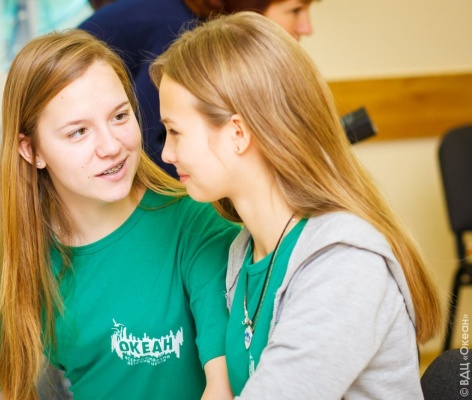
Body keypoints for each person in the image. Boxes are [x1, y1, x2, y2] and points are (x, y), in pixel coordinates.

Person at [151, 12, 444, 399]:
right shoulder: (245, 250)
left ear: (237, 133)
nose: (167, 154)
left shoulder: (344, 264)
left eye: (174, 131)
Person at [0, 29, 239, 399]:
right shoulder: (5, 265)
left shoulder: (196, 223)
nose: (111, 146)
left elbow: (225, 386)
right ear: (31, 151)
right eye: (78, 132)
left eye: (119, 116)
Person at [0, 0, 317, 232]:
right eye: (295, 10)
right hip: (26, 155)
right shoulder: (180, 31)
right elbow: (144, 137)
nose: (306, 26)